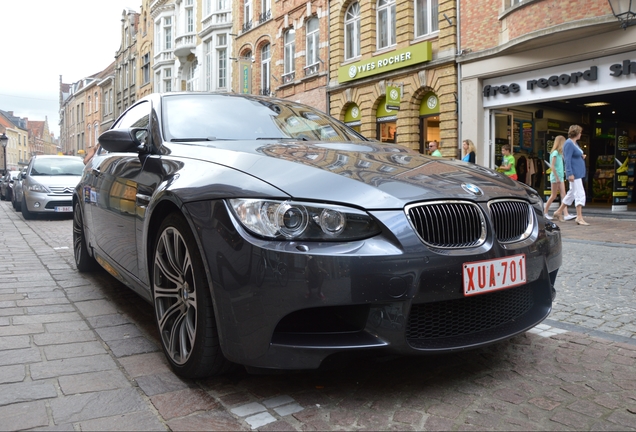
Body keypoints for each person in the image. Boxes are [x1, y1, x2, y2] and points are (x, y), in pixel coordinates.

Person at [552, 125, 589, 225]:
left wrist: (582, 156)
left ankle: (559, 211)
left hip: (577, 172)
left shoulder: (574, 143)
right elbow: (567, 159)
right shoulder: (569, 143)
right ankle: (579, 217)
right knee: (579, 193)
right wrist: (569, 173)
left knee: (572, 193)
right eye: (580, 132)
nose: (581, 134)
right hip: (575, 173)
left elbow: (573, 156)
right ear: (576, 133)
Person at [544, 136, 575, 221]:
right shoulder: (555, 153)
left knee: (563, 195)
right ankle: (545, 212)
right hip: (556, 177)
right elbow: (552, 166)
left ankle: (566, 214)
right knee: (553, 195)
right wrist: (557, 177)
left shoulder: (559, 153)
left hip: (560, 176)